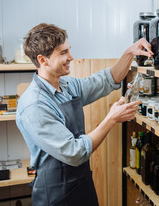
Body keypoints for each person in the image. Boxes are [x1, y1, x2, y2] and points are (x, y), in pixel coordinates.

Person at [16, 23, 152, 205]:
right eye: (63, 53)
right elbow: (74, 153)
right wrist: (111, 118)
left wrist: (129, 53)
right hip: (55, 194)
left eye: (69, 50)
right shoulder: (34, 106)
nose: (70, 57)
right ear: (43, 60)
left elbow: (109, 79)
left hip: (81, 183)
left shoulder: (67, 86)